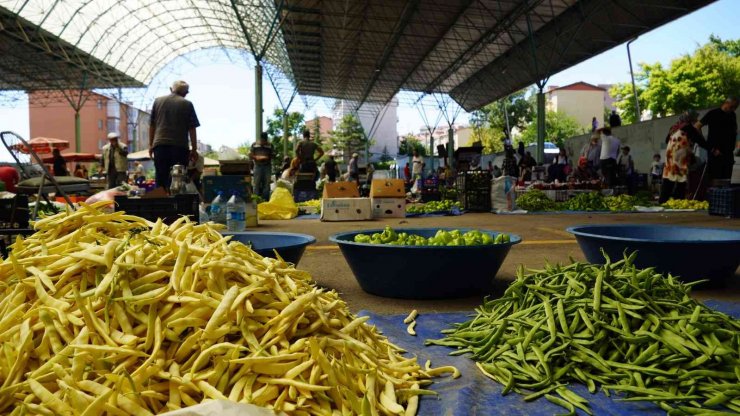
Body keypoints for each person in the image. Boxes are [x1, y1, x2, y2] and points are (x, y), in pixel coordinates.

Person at [149, 80, 200, 192]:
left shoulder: (158, 101)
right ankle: (178, 206)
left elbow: (152, 125)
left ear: (171, 89)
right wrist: (194, 149)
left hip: (160, 146)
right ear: (185, 93)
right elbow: (192, 128)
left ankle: (161, 205)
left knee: (161, 178)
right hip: (179, 147)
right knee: (179, 179)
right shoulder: (187, 104)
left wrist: (151, 145)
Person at [660, 110, 705, 203]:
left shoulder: (674, 127)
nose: (696, 120)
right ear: (690, 119)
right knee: (681, 178)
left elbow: (666, 140)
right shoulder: (688, 128)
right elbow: (701, 141)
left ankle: (663, 200)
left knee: (669, 177)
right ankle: (678, 200)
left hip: (670, 156)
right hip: (680, 156)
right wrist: (712, 149)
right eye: (695, 118)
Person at [694, 97, 738, 181]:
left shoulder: (732, 115)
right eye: (732, 107)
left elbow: (734, 130)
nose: (733, 109)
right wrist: (706, 145)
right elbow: (697, 126)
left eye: (735, 108)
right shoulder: (713, 113)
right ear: (726, 103)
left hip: (728, 153)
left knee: (727, 179)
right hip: (715, 152)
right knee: (715, 178)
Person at [249, 132, 274, 202]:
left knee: (266, 184)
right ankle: (255, 200)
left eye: (265, 140)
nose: (264, 142)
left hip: (267, 166)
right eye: (263, 140)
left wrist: (267, 157)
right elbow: (250, 154)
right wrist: (256, 157)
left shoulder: (270, 145)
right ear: (260, 139)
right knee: (256, 183)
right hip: (257, 166)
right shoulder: (254, 145)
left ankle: (265, 200)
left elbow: (273, 155)